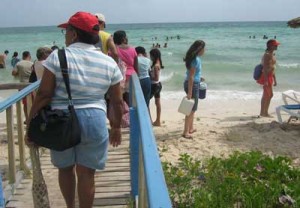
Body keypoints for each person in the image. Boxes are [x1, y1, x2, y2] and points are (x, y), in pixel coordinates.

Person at [25, 11, 123, 208]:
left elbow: (44, 94)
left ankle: (70, 206)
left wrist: (30, 122)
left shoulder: (57, 57)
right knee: (87, 173)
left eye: (66, 31)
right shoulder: (108, 62)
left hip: (61, 121)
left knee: (65, 169)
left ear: (75, 34)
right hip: (95, 119)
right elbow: (117, 101)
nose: (65, 35)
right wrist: (116, 127)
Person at [182, 40, 206, 139]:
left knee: (193, 108)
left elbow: (192, 74)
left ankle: (191, 128)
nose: (205, 50)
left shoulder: (194, 59)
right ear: (200, 49)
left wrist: (199, 78)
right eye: (204, 48)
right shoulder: (195, 60)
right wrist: (190, 92)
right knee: (191, 109)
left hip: (192, 83)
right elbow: (191, 76)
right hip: (192, 85)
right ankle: (185, 132)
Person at [113, 30, 138, 106]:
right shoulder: (133, 49)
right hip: (132, 75)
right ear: (124, 38)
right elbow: (136, 65)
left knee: (120, 100)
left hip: (120, 76)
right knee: (130, 100)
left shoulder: (114, 50)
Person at [257, 39, 279, 117]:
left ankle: (263, 112)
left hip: (270, 76)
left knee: (268, 95)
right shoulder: (267, 55)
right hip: (266, 76)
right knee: (268, 95)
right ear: (270, 46)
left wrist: (275, 79)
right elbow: (266, 68)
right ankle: (264, 113)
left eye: (277, 45)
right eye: (275, 45)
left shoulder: (272, 54)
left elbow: (272, 67)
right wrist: (266, 80)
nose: (277, 46)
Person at [12, 51, 33, 121]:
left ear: (23, 56)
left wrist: (19, 74)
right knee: (32, 102)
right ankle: (32, 118)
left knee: (25, 104)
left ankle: (27, 119)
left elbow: (13, 73)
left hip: (22, 86)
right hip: (32, 85)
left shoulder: (19, 63)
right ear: (29, 56)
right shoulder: (32, 63)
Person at [149, 48, 164, 126]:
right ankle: (158, 120)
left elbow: (156, 78)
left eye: (151, 55)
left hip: (154, 85)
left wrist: (149, 76)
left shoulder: (155, 66)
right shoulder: (158, 64)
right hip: (158, 85)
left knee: (146, 102)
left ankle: (150, 120)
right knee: (157, 103)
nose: (150, 57)